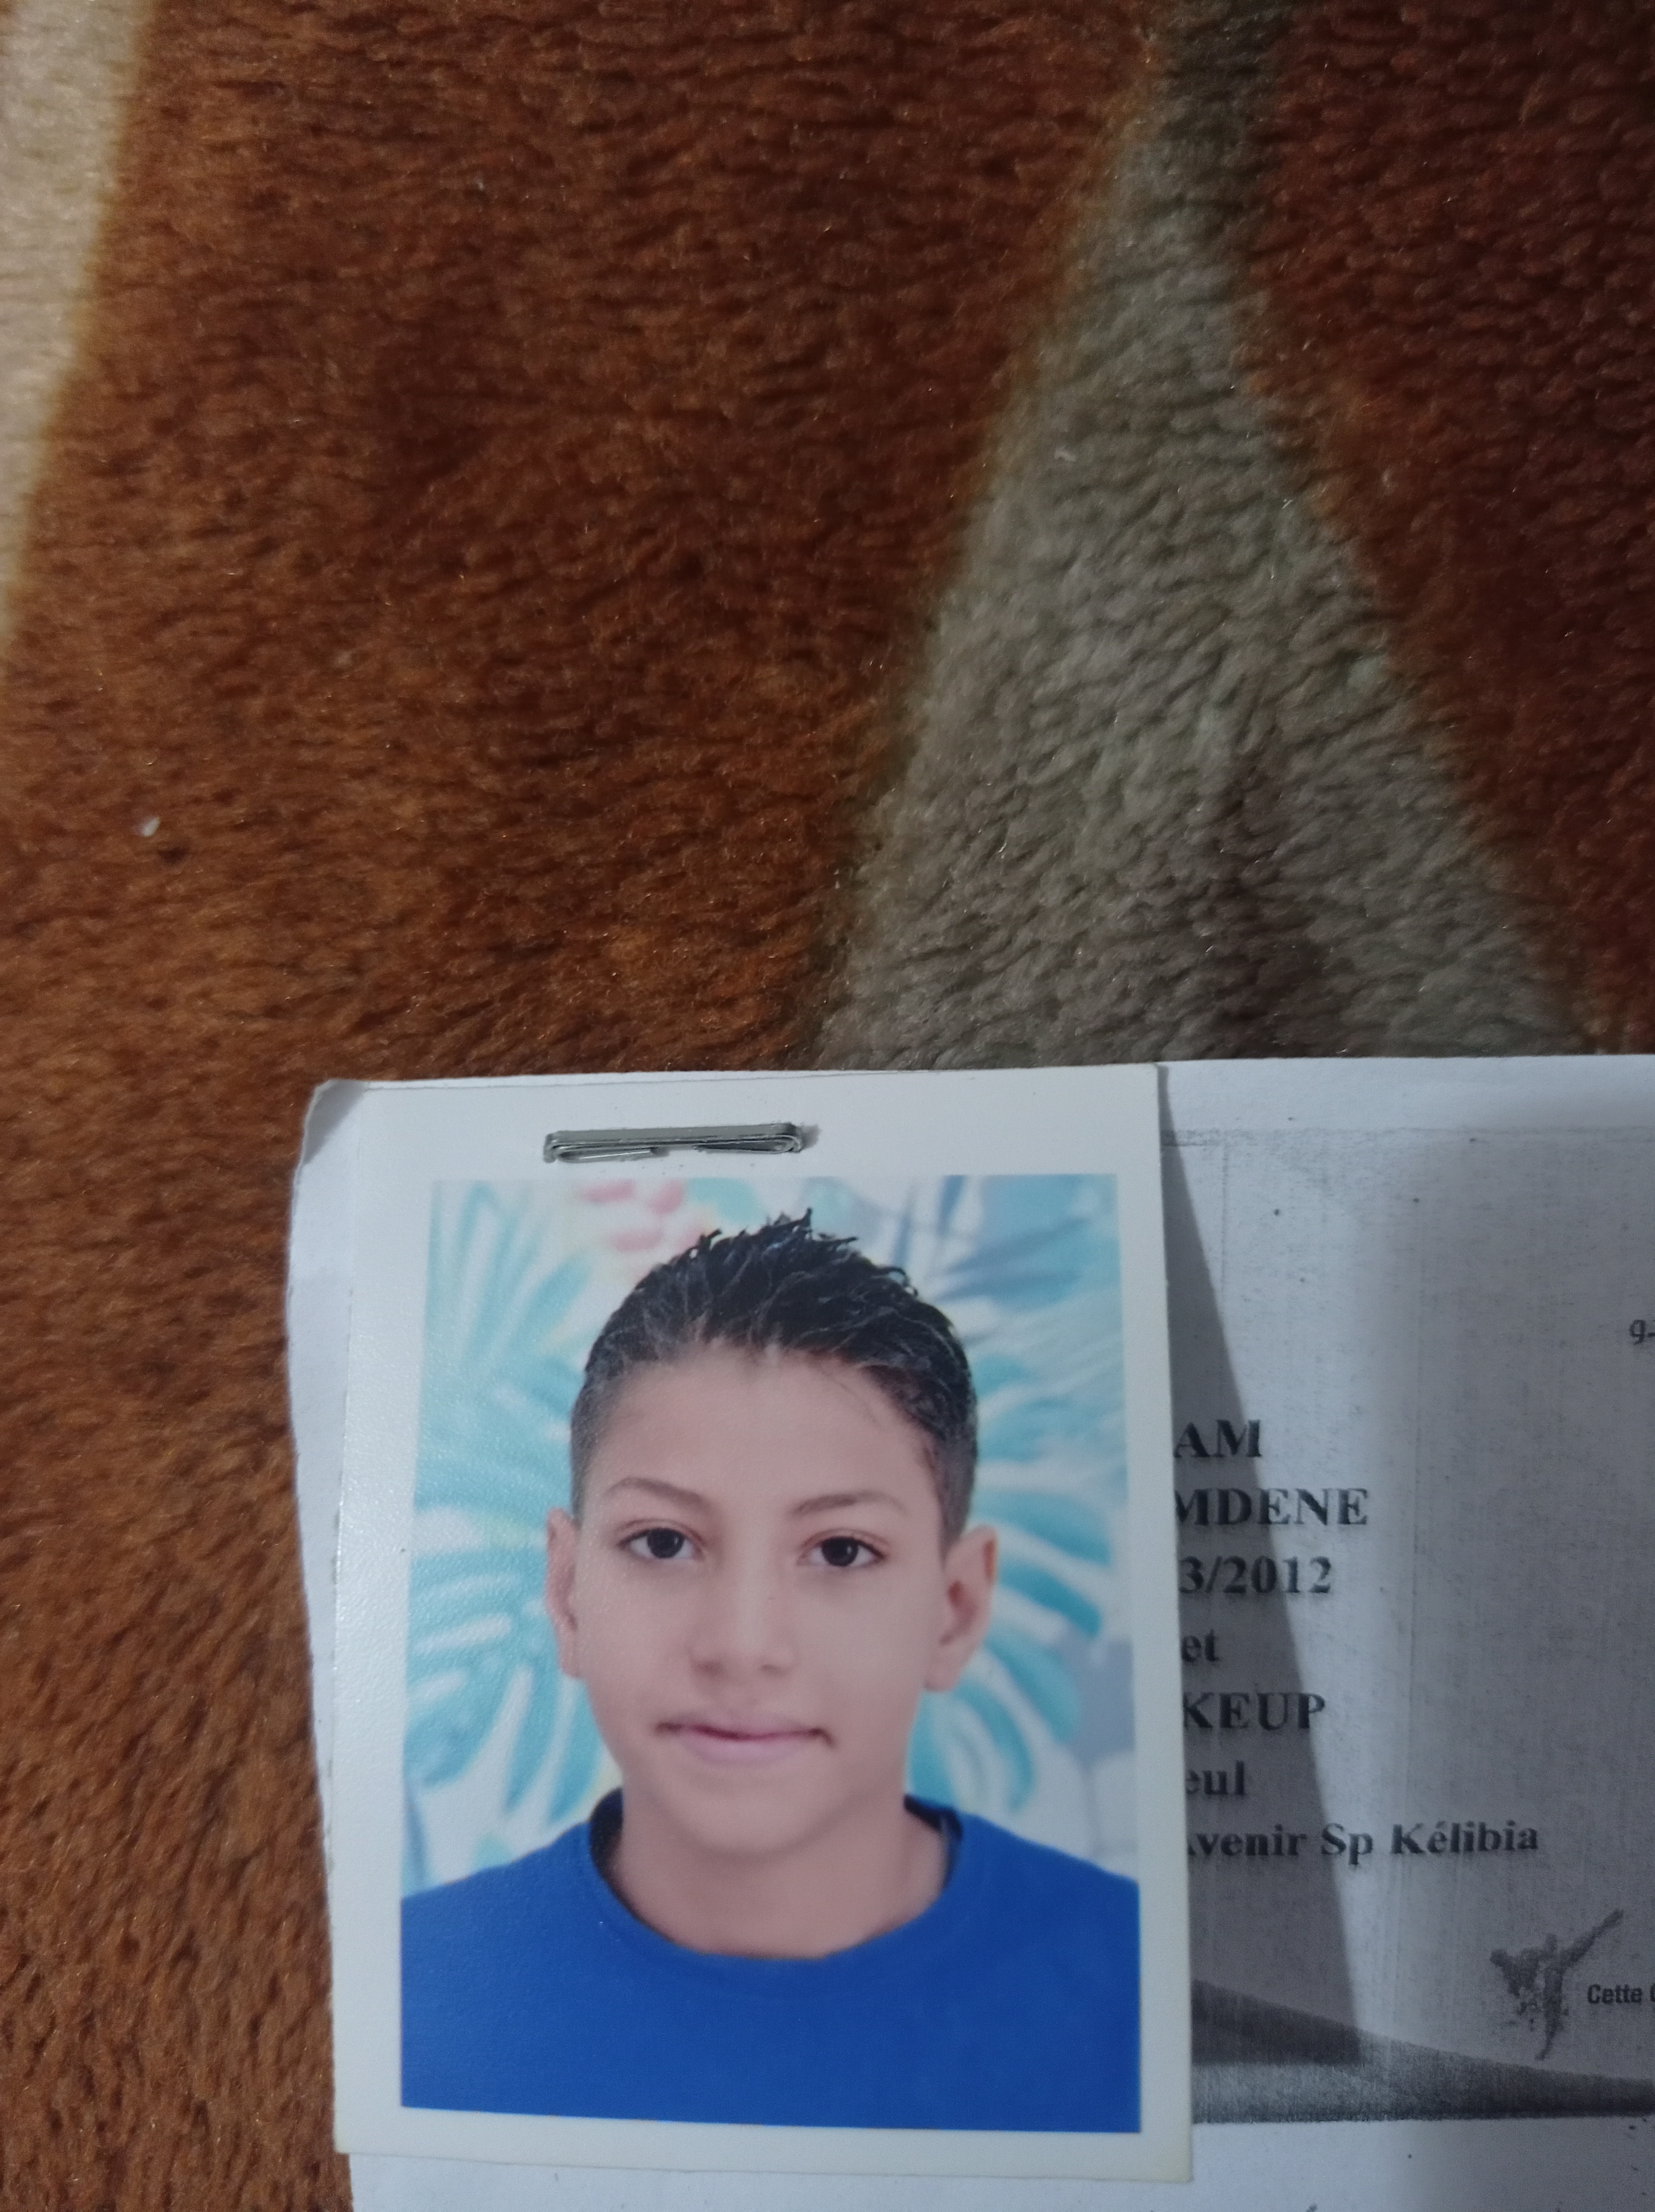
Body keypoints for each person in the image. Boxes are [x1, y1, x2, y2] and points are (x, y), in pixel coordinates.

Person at [401, 1215, 1139, 2132]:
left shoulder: (1148, 1998)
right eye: (663, 1542)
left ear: (953, 1611)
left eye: (840, 1551)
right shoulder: (399, 2002)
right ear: (568, 1592)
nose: (743, 1645)